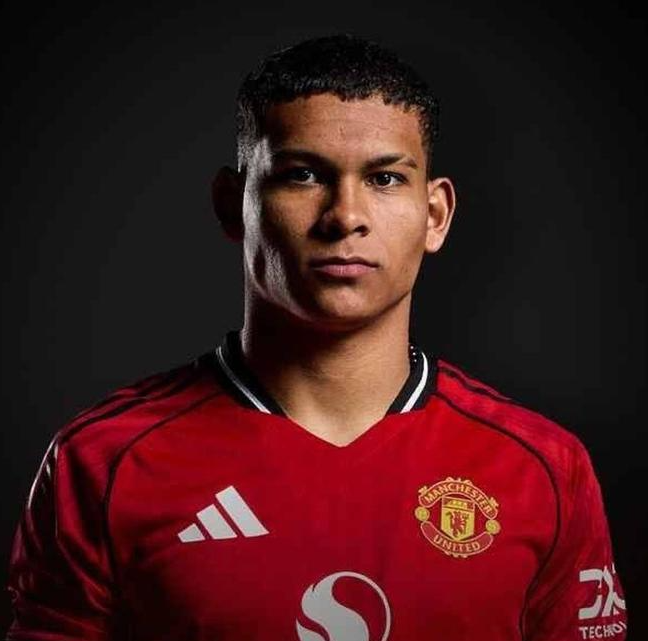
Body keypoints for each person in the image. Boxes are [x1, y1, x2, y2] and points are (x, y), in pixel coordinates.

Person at [5, 33, 627, 641]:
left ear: (435, 215)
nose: (345, 217)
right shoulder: (103, 461)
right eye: (302, 175)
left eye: (385, 179)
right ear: (232, 204)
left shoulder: (543, 467)